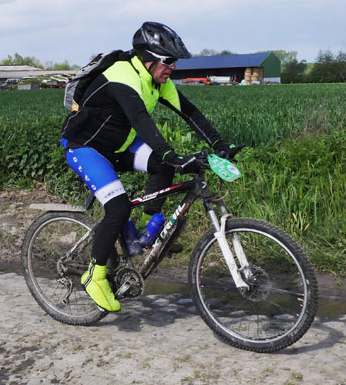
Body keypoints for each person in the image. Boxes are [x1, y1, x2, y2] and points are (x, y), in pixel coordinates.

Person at [60, 21, 239, 312]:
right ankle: (94, 275)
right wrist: (171, 153)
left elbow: (189, 112)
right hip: (86, 148)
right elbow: (141, 121)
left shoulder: (158, 81)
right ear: (148, 58)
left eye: (175, 61)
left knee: (162, 166)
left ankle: (146, 234)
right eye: (168, 61)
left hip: (119, 145)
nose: (173, 67)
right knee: (118, 208)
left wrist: (220, 144)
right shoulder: (122, 75)